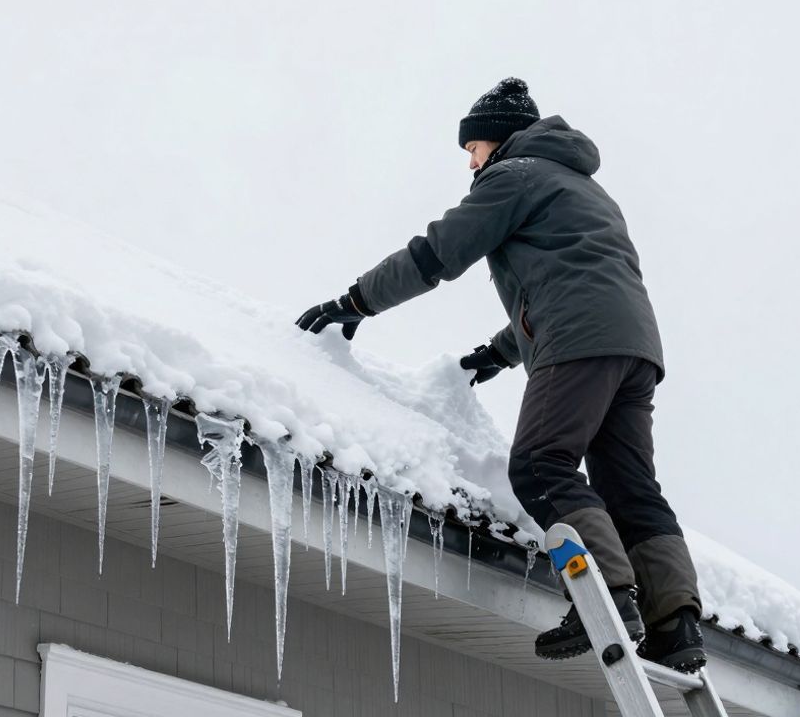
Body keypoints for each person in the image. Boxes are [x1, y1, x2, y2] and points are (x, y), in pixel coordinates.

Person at [295, 77, 706, 672]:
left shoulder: (514, 175)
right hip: (633, 349)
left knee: (541, 464)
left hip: (578, 343)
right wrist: (498, 352)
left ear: (498, 140)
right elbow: (575, 282)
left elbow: (436, 253)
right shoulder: (586, 190)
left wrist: (354, 302)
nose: (469, 161)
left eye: (472, 148)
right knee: (631, 488)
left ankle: (607, 598)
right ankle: (678, 624)